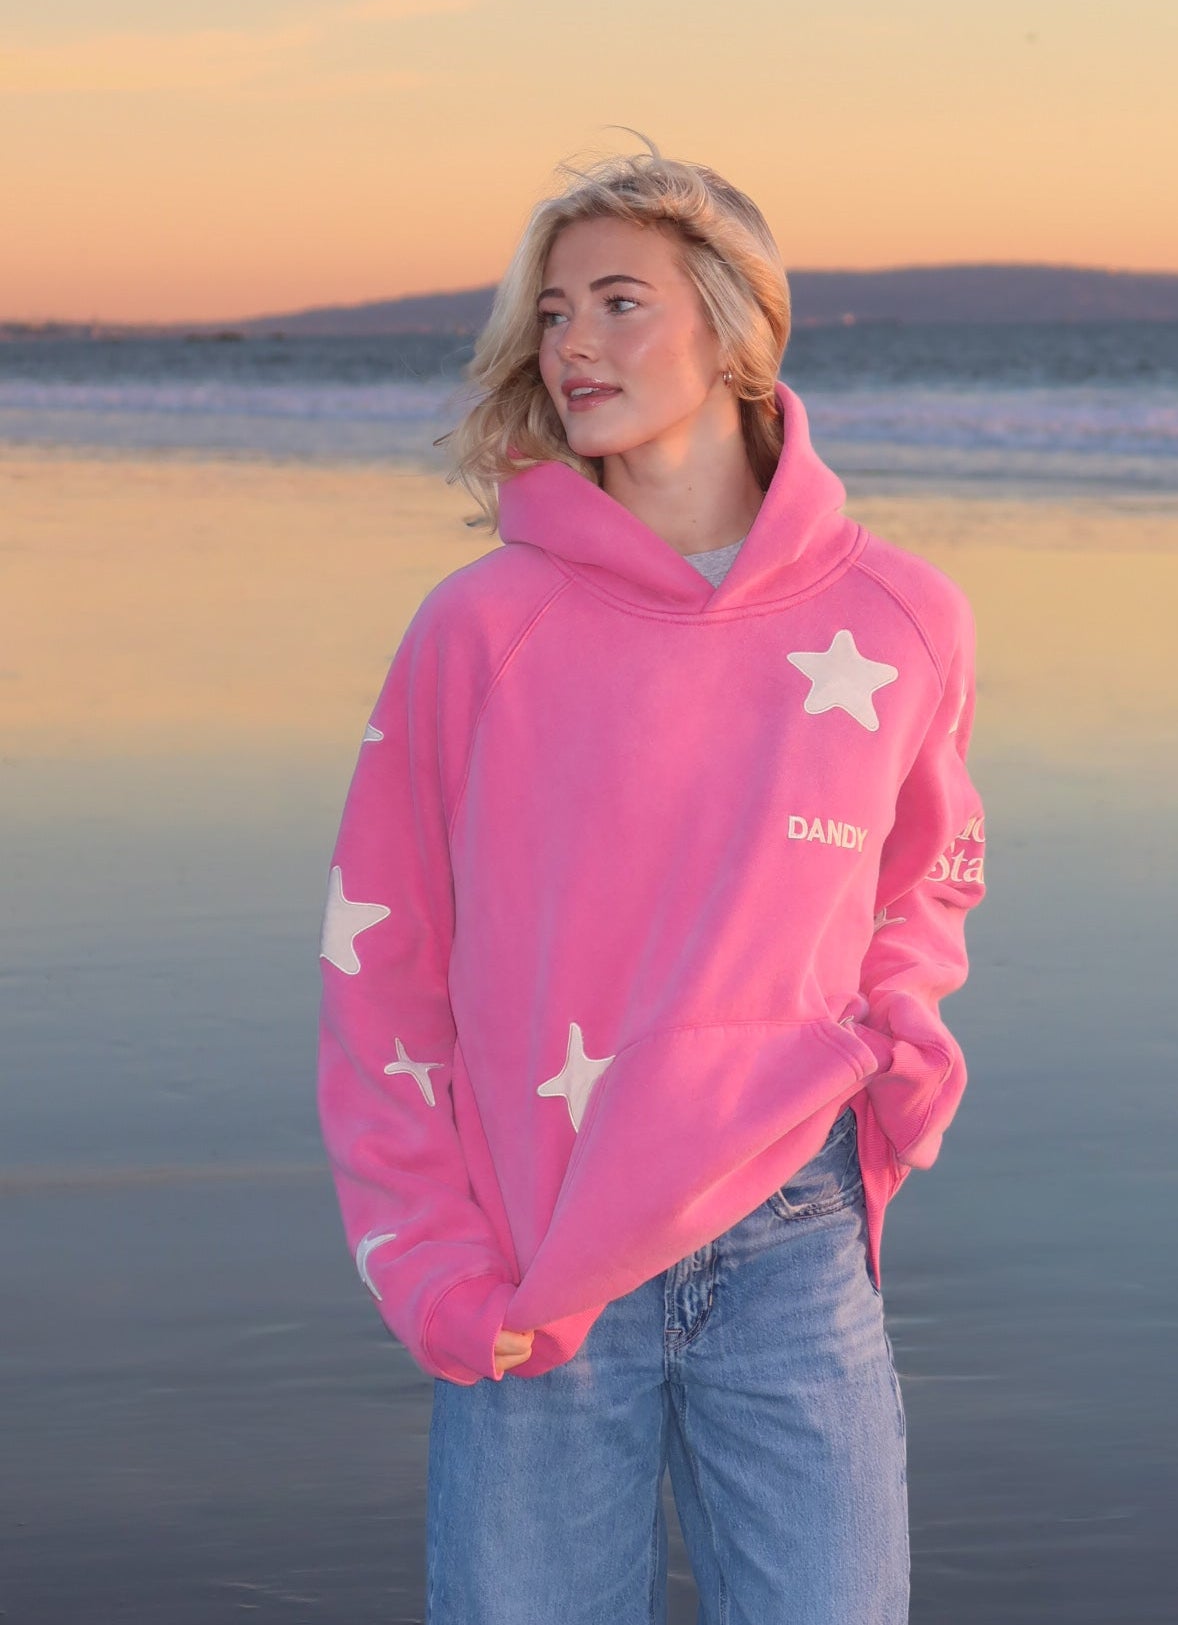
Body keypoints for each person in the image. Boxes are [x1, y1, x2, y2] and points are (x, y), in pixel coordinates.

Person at [315, 137, 988, 1623]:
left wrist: (903, 1043)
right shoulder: (479, 628)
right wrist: (427, 1256)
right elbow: (382, 963)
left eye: (620, 302)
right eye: (552, 313)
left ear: (735, 330)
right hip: (541, 1259)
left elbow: (927, 870)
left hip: (793, 1243)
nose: (572, 345)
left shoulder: (902, 620)